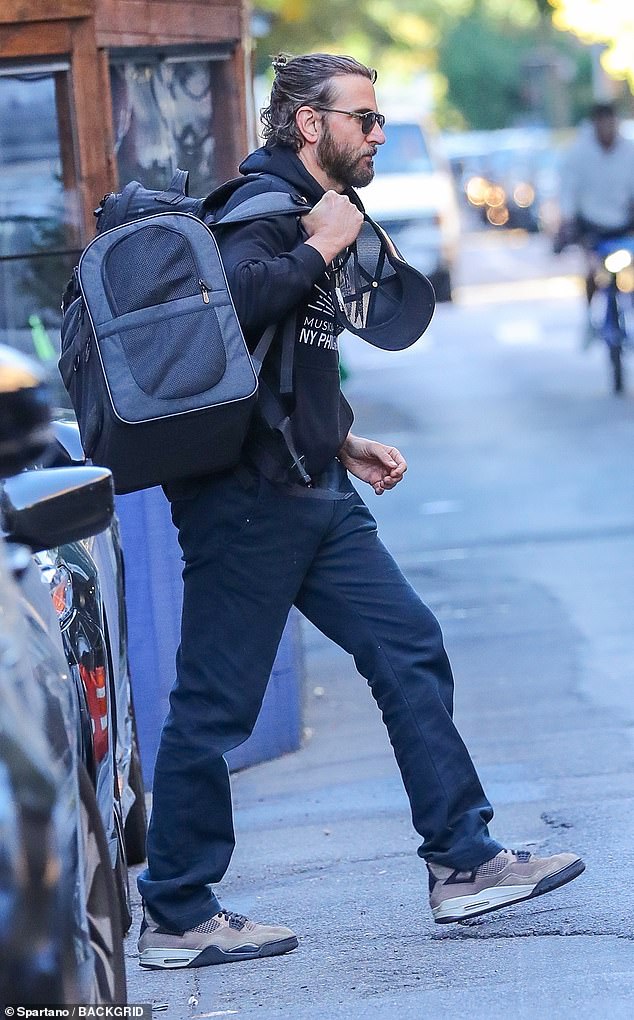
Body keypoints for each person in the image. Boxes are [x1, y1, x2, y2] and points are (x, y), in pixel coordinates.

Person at [137, 52, 585, 971]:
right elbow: (228, 314)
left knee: (408, 644)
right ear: (311, 124)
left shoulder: (314, 216)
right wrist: (320, 247)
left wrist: (342, 439)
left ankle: (462, 865)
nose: (378, 134)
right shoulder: (261, 212)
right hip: (250, 504)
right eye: (365, 118)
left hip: (315, 490)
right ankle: (176, 910)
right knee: (214, 707)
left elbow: (287, 360)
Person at [555, 101, 634, 343]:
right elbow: (568, 190)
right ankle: (590, 318)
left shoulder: (629, 151)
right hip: (592, 226)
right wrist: (569, 220)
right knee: (591, 271)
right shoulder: (579, 154)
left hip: (623, 224)